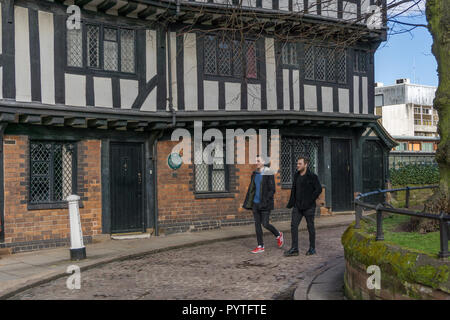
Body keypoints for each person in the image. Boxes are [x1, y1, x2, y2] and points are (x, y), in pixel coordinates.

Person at [243, 156, 284, 253]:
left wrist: (265, 201)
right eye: (256, 160)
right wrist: (250, 202)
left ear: (264, 162)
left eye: (258, 161)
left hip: (265, 203)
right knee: (257, 225)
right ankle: (260, 246)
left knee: (265, 224)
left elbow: (272, 189)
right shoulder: (255, 174)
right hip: (255, 204)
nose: (256, 162)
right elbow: (252, 189)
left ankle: (278, 234)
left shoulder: (268, 173)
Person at [284, 156, 322, 257]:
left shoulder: (312, 176)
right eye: (297, 164)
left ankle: (312, 248)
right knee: (293, 225)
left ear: (306, 164)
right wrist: (292, 202)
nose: (297, 165)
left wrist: (310, 200)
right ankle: (295, 249)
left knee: (310, 226)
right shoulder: (296, 175)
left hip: (309, 207)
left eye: (300, 164)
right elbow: (294, 190)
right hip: (297, 206)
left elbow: (318, 189)